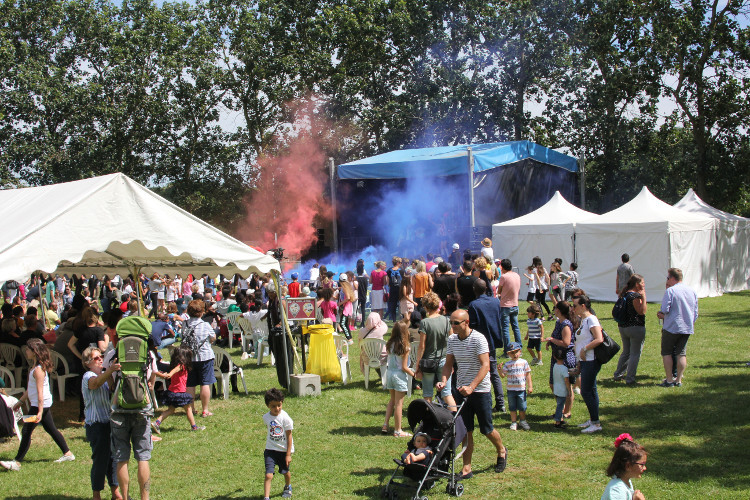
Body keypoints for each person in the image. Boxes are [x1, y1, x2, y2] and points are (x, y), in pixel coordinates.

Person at [436, 310, 507, 478]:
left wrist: (472, 387)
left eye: (456, 323)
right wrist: (444, 381)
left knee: (487, 429)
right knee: (466, 431)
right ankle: (467, 468)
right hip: (461, 391)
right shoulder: (452, 339)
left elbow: (485, 366)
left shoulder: (479, 339)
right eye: (451, 323)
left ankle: (502, 450)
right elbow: (448, 364)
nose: (452, 326)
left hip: (480, 390)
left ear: (466, 323)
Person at [0, 339, 75, 472]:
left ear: (34, 352)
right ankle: (68, 453)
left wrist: (39, 411)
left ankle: (16, 462)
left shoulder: (38, 370)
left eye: (28, 349)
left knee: (26, 431)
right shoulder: (34, 368)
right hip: (40, 405)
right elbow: (31, 389)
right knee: (51, 429)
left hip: (39, 406)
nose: (26, 352)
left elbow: (40, 393)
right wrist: (20, 402)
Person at [81, 346, 123, 500]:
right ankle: (96, 494)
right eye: (96, 358)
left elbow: (111, 389)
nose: (100, 360)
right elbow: (95, 384)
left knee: (112, 459)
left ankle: (115, 492)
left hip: (107, 422)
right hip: (96, 425)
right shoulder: (88, 376)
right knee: (100, 460)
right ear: (87, 363)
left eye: (101, 356)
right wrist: (110, 371)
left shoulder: (104, 376)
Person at [467, 280, 505, 413]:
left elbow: (472, 324)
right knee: (493, 372)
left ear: (474, 289)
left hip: (479, 342)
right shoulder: (495, 301)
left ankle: (485, 403)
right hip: (492, 340)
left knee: (480, 371)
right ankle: (500, 402)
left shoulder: (474, 305)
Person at [657, 268, 698, 388]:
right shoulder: (692, 291)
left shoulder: (671, 291)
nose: (667, 280)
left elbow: (665, 309)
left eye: (668, 278)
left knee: (667, 352)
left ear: (673, 278)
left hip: (672, 326)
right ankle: (678, 379)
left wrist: (661, 314)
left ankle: (669, 380)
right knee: (681, 353)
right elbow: (695, 311)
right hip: (686, 326)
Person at [414, 292, 455, 408]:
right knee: (447, 394)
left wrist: (417, 366)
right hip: (444, 360)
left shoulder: (425, 323)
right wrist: (452, 361)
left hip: (428, 361)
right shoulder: (447, 321)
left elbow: (422, 346)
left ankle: (429, 421)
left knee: (427, 394)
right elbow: (451, 340)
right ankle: (455, 420)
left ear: (425, 307)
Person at [152, 346, 205, 433]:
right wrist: (167, 375)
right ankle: (194, 427)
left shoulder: (174, 365)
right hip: (179, 393)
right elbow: (171, 374)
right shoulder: (181, 366)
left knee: (171, 410)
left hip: (172, 392)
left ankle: (157, 423)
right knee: (188, 409)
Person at [573, 294, 604, 433]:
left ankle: (596, 423)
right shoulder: (583, 320)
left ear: (583, 306)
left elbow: (599, 339)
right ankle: (593, 419)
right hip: (585, 361)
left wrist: (585, 349)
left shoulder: (591, 319)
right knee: (591, 390)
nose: (573, 308)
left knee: (586, 391)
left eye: (575, 306)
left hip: (591, 360)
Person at [183, 299, 217, 418]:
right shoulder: (205, 325)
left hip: (189, 357)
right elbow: (213, 337)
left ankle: (191, 409)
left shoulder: (185, 324)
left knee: (190, 384)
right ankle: (205, 410)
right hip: (205, 356)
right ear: (202, 311)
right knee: (205, 383)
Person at [544, 301, 577, 420]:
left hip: (565, 359)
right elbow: (557, 337)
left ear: (559, 310)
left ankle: (567, 411)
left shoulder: (566, 324)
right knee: (553, 384)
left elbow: (566, 343)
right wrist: (550, 342)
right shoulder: (559, 322)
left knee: (567, 386)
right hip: (556, 358)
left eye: (555, 308)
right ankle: (560, 408)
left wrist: (552, 340)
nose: (554, 310)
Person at [613, 274, 647, 385]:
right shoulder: (635, 296)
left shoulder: (624, 294)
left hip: (623, 327)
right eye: (642, 282)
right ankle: (630, 378)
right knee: (635, 354)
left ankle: (618, 374)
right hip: (635, 327)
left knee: (626, 352)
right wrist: (644, 297)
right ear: (637, 284)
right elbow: (642, 311)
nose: (644, 284)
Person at [382, 321, 414, 437]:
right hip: (399, 375)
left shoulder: (389, 344)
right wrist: (414, 375)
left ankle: (385, 424)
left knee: (392, 400)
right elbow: (405, 367)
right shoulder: (405, 347)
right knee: (399, 404)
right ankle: (398, 430)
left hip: (389, 373)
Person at [263, 388, 294, 500]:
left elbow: (289, 436)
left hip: (283, 451)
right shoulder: (266, 417)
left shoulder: (285, 418)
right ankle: (266, 498)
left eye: (279, 405)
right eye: (273, 406)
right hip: (270, 450)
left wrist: (288, 454)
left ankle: (287, 486)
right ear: (268, 406)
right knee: (268, 475)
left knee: (285, 472)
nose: (277, 408)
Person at [602, 433, 647, 500]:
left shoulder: (626, 481)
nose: (645, 468)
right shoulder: (617, 491)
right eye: (642, 464)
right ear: (628, 466)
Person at [501, 342, 532, 430]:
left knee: (522, 406)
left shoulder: (524, 362)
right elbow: (503, 375)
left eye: (516, 352)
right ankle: (514, 422)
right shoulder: (508, 364)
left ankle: (522, 421)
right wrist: (499, 370)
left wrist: (530, 386)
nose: (515, 354)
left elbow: (528, 374)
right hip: (511, 390)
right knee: (512, 407)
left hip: (521, 389)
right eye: (512, 353)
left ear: (520, 351)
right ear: (508, 354)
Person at [497, 259, 521, 354]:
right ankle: (519, 347)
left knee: (505, 328)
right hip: (515, 303)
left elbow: (499, 291)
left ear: (502, 267)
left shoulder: (504, 277)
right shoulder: (517, 275)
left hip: (505, 305)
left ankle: (507, 350)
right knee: (515, 327)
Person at [551, 347, 572, 429]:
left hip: (556, 389)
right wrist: (569, 391)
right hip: (562, 391)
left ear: (554, 357)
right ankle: (557, 422)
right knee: (560, 406)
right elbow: (566, 380)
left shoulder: (555, 366)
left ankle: (560, 419)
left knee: (559, 404)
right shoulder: (564, 368)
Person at [337, 274, 354, 343]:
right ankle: (350, 339)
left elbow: (348, 298)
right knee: (346, 323)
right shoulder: (347, 286)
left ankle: (349, 339)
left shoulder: (345, 288)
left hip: (346, 307)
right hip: (347, 306)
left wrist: (340, 303)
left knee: (342, 324)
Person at [386, 257, 404, 321]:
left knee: (393, 305)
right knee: (401, 304)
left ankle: (394, 320)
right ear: (398, 263)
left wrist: (389, 285)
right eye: (401, 262)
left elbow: (387, 280)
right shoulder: (401, 270)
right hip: (400, 289)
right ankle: (401, 319)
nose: (401, 264)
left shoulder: (389, 270)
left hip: (392, 289)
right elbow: (404, 281)